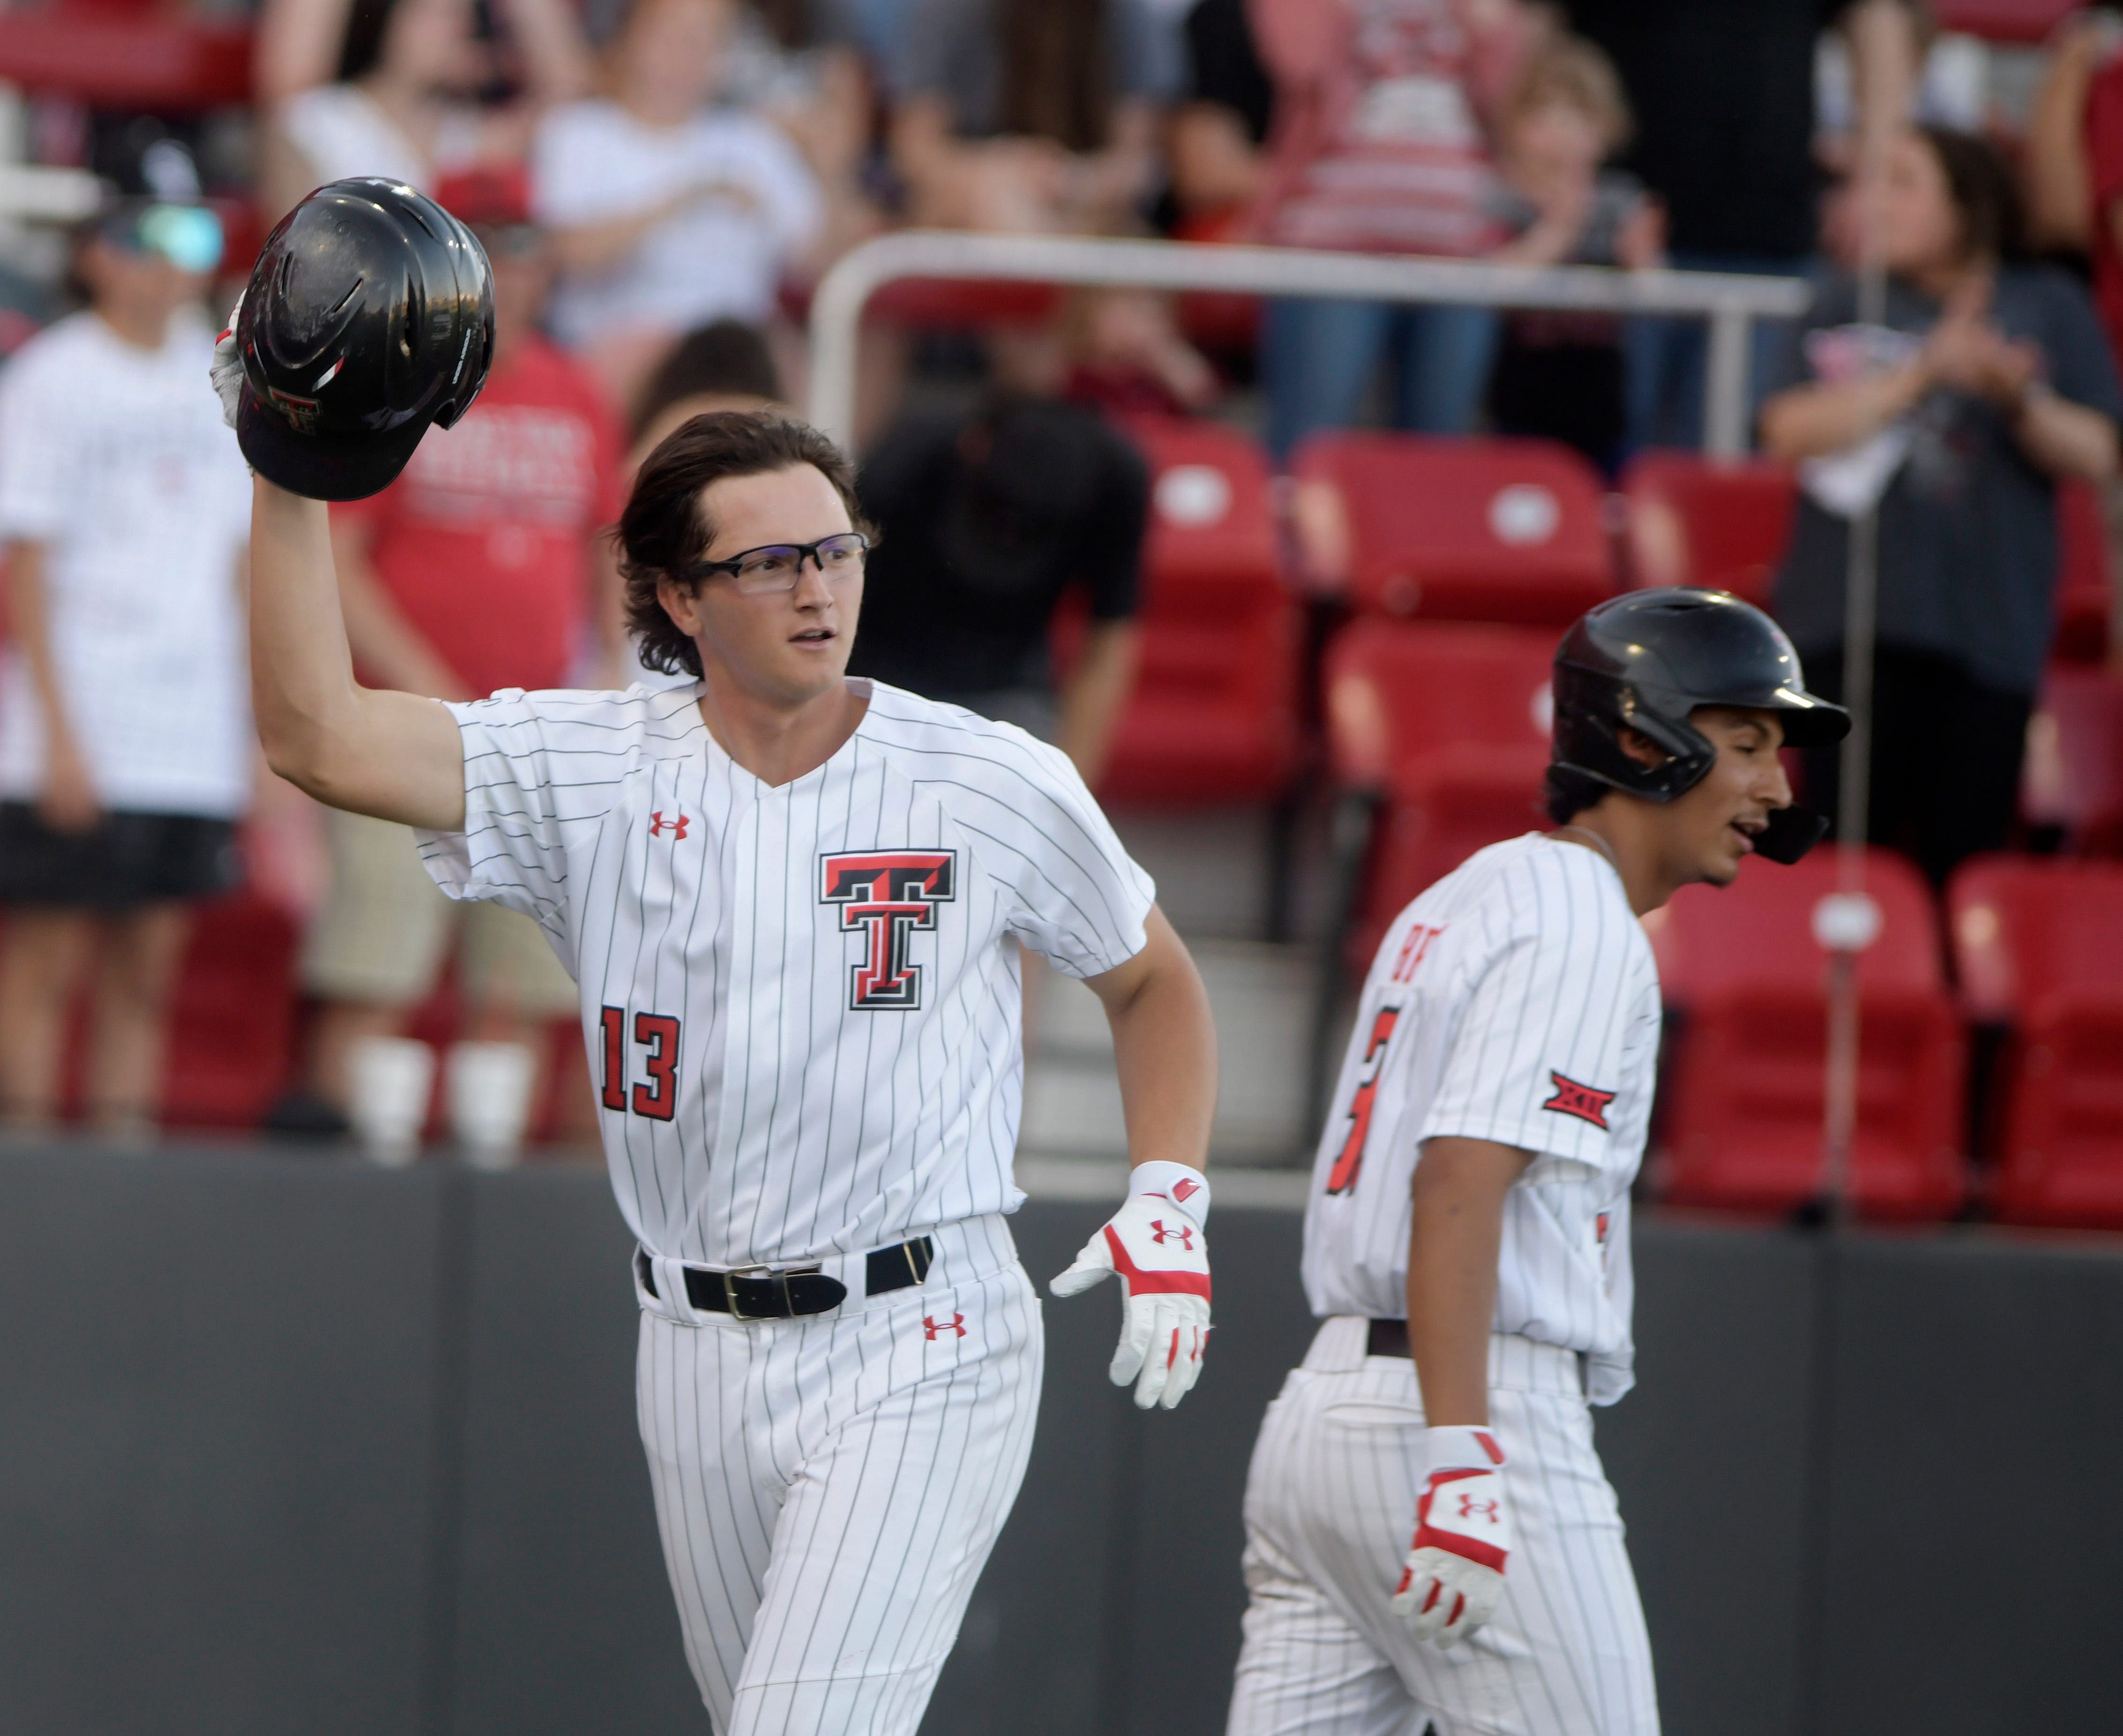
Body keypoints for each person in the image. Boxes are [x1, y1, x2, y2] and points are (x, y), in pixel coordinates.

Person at [221, 201, 1219, 1730]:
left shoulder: (987, 774)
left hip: (923, 1329)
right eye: (772, 562)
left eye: (839, 545)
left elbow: (1151, 976)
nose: (821, 585)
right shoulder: (587, 760)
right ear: (678, 598)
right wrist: (290, 469)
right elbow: (315, 734)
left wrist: (1170, 1191)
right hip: (689, 1342)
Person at [1226, 588, 1849, 1736]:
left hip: (1326, 1415)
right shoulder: (1579, 918)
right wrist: (1466, 1458)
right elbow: (1459, 1179)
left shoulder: (1474, 889)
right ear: (1638, 734)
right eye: (1748, 744)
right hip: (1468, 1405)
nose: (1775, 788)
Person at [282, 165, 629, 1131]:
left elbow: (604, 540)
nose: (512, 269)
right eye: (489, 244)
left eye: (524, 245)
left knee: (520, 988)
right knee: (375, 968)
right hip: (403, 726)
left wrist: (607, 660)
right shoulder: (400, 379)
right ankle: (351, 1187)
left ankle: (492, 1190)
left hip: (540, 730)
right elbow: (342, 558)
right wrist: (426, 681)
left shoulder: (577, 392)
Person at [1759, 126, 2122, 887]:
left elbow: (2097, 450)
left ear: (1969, 202)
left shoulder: (2046, 302)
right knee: (1850, 865)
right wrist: (1922, 373)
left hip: (1990, 632)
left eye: (1902, 182)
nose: (1874, 204)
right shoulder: (1841, 292)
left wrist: (2015, 391)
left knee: (1967, 858)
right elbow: (1786, 429)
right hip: (1851, 627)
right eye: (1867, 183)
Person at [0, 187, 250, 1137]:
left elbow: (238, 561)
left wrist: (249, 729)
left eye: (190, 234)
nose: (167, 258)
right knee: (44, 968)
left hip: (188, 733)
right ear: (94, 253)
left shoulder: (224, 375)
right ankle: (22, 1184)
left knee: (146, 978)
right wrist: (57, 736)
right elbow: (28, 567)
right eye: (142, 236)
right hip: (81, 721)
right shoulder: (51, 378)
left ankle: (124, 1179)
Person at [1563, 0, 1917, 453]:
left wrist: (1876, 183)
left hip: (1769, 246)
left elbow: (1877, 20)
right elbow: (1540, 32)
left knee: (1732, 467)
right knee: (1595, 465)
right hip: (1609, 242)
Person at [1248, 0, 1541, 458]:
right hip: (1331, 248)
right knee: (1310, 442)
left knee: (1437, 448)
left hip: (1460, 251)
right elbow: (1299, 63)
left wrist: (1488, 21)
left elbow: (1512, 93)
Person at [532, 0, 823, 416]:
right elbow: (571, 254)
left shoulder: (755, 140)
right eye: (675, 33)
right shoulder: (580, 132)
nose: (691, 49)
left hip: (743, 349)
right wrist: (690, 198)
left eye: (710, 36)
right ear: (631, 37)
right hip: (622, 346)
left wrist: (831, 166)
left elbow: (817, 259)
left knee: (786, 355)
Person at [850, 391, 1148, 786]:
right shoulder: (906, 461)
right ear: (973, 446)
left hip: (1012, 690)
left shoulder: (1118, 480)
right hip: (880, 675)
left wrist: (1070, 798)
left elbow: (1109, 645)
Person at [1482, 34, 1663, 471]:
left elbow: (1655, 293)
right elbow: (1493, 284)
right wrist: (1558, 230)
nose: (1563, 135)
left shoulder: (1621, 202)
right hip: (1517, 399)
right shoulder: (1501, 199)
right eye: (1547, 116)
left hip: (1601, 399)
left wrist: (1641, 259)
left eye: (1579, 117)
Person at [257, 0, 589, 218]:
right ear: (389, 18)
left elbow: (567, 90)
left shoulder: (469, 134)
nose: (457, 28)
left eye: (463, 15)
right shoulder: (320, 119)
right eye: (437, 13)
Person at [889, 0, 1180, 235]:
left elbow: (1139, 161)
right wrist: (1002, 170)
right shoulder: (950, 11)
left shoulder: (1127, 16)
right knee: (997, 206)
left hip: (1091, 209)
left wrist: (1072, 182)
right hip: (975, 197)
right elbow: (916, 151)